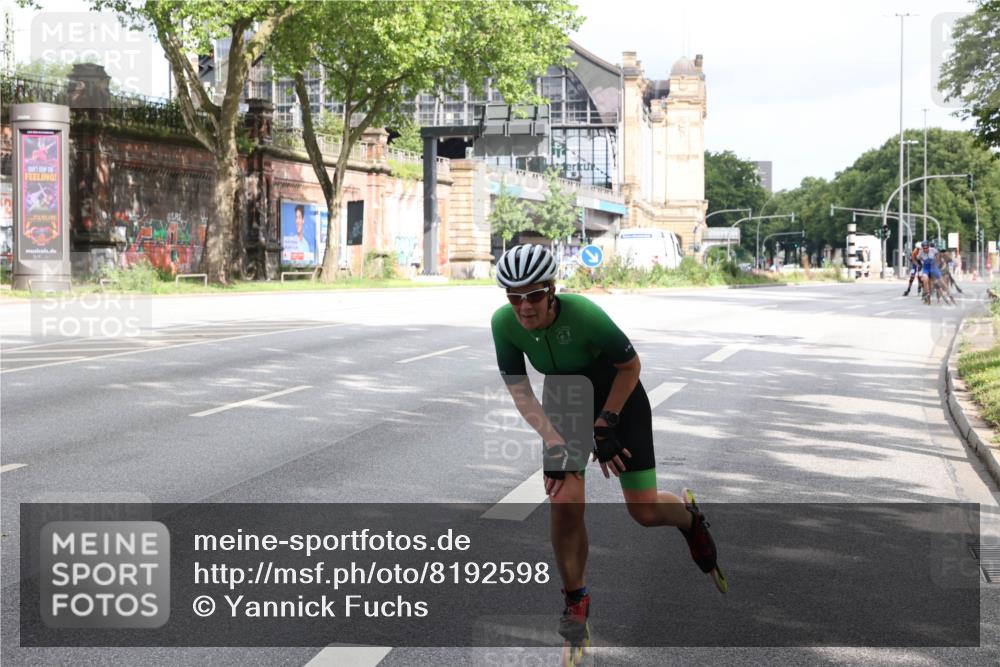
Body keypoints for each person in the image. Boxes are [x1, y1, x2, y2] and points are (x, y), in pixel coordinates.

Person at [489, 244, 725, 641]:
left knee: (644, 511)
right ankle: (575, 599)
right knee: (563, 504)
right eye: (515, 297)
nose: (524, 307)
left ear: (551, 290)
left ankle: (689, 518)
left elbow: (630, 366)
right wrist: (553, 440)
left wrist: (606, 423)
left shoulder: (584, 313)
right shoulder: (503, 323)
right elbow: (521, 393)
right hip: (566, 402)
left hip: (618, 396)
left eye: (533, 295)